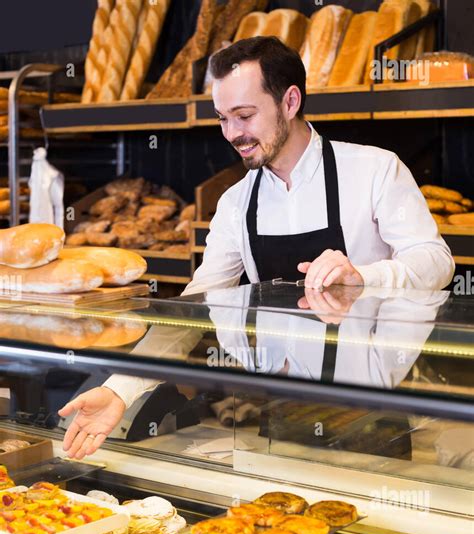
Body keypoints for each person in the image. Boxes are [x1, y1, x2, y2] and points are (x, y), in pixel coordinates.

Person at [59, 36, 454, 460]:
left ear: (290, 101)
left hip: (373, 422)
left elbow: (436, 262)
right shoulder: (236, 203)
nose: (232, 134)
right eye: (222, 118)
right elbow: (196, 306)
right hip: (278, 418)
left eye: (244, 115)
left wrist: (365, 276)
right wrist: (120, 389)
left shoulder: (375, 170)